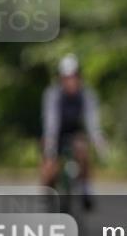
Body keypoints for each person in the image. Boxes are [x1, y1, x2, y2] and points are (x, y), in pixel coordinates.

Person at [41, 54, 108, 208]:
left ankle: (86, 188)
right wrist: (50, 147)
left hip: (75, 132)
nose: (70, 81)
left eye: (73, 77)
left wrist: (99, 142)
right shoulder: (53, 95)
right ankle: (49, 191)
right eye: (66, 78)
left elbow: (92, 121)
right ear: (61, 78)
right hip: (56, 133)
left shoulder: (86, 95)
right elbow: (51, 122)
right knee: (50, 167)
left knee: (82, 151)